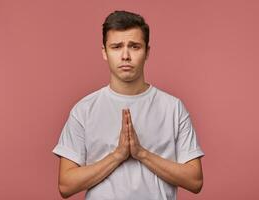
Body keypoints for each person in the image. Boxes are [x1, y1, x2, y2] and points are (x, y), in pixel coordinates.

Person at [52, 10, 205, 200]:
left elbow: (195, 181)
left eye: (134, 46)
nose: (125, 55)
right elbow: (66, 185)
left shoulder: (173, 108)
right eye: (116, 47)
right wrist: (117, 155)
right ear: (104, 52)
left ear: (147, 52)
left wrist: (142, 154)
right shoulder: (84, 110)